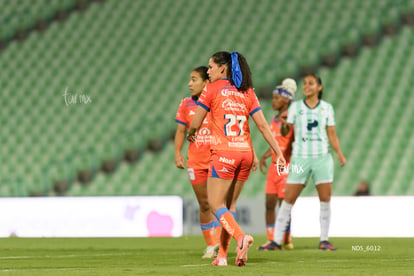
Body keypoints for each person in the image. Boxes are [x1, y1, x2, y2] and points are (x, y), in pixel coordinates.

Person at [187, 51, 286, 266]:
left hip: (224, 153)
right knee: (229, 207)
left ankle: (241, 238)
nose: (209, 71)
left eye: (211, 67)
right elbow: (262, 125)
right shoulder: (247, 91)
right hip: (245, 155)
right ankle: (222, 256)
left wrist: (190, 133)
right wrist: (278, 152)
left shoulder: (211, 89)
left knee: (215, 205)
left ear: (223, 68)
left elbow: (196, 122)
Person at [270, 74, 346, 251]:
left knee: (325, 199)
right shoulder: (295, 107)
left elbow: (332, 134)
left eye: (310, 83)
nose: (306, 86)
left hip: (322, 157)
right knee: (288, 199)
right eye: (304, 83)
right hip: (300, 158)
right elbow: (285, 130)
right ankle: (276, 241)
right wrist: (284, 124)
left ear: (319, 87)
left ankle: (324, 240)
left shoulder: (327, 108)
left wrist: (340, 154)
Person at [174, 66, 220, 258]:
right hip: (195, 161)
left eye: (194, 79)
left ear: (206, 82)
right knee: (204, 204)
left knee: (217, 203)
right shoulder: (186, 104)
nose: (189, 84)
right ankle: (211, 244)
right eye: (190, 80)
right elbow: (180, 131)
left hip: (217, 159)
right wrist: (177, 152)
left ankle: (220, 243)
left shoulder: (218, 102)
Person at [257, 78, 296, 251]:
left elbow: (291, 139)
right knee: (269, 204)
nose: (273, 101)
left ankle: (284, 239)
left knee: (283, 205)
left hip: (286, 167)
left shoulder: (291, 119)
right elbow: (276, 142)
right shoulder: (274, 120)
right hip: (274, 167)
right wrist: (266, 155)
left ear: (286, 100)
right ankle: (272, 238)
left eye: (276, 98)